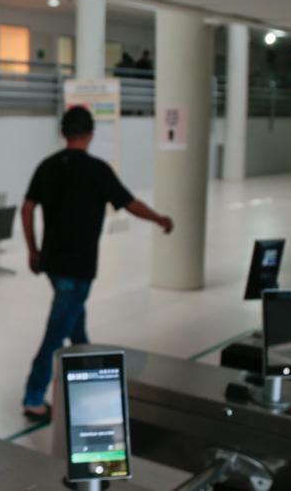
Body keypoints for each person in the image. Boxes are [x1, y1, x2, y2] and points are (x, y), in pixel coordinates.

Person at [20, 106, 173, 421]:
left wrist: (32, 249)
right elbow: (130, 203)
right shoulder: (97, 170)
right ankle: (34, 396)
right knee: (55, 333)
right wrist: (159, 219)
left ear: (64, 134)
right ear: (89, 134)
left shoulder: (46, 167)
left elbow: (27, 207)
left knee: (75, 326)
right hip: (79, 267)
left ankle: (89, 382)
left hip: (53, 263)